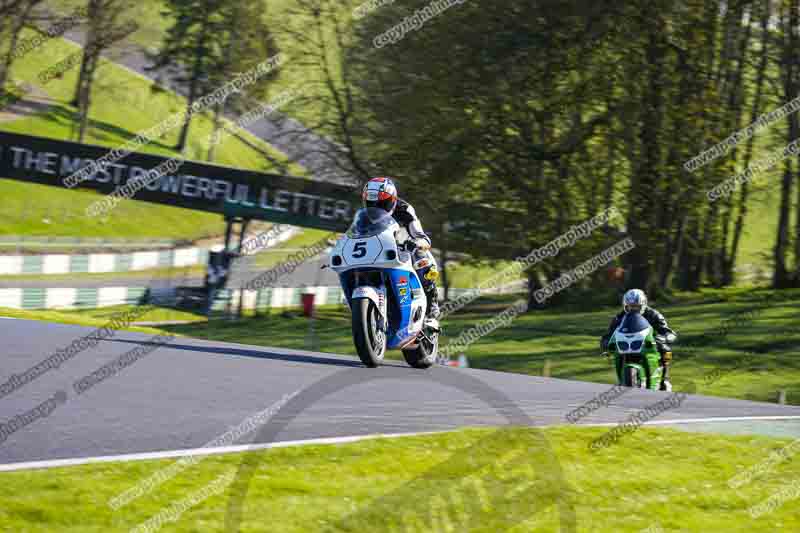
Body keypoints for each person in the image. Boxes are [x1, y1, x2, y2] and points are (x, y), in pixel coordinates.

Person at [361, 177, 440, 321]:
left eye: (381, 203)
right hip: (377, 251)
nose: (376, 207)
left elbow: (419, 234)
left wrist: (417, 243)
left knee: (422, 257)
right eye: (371, 203)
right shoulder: (364, 215)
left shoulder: (404, 209)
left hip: (403, 248)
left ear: (392, 199)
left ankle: (431, 300)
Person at [600, 288, 677, 389]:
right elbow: (609, 334)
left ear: (643, 305)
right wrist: (606, 342)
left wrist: (663, 338)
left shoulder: (653, 315)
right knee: (614, 354)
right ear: (625, 306)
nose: (633, 309)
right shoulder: (619, 317)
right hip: (627, 345)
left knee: (666, 350)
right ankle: (621, 380)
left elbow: (669, 332)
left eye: (636, 307)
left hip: (648, 344)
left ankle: (664, 380)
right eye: (630, 307)